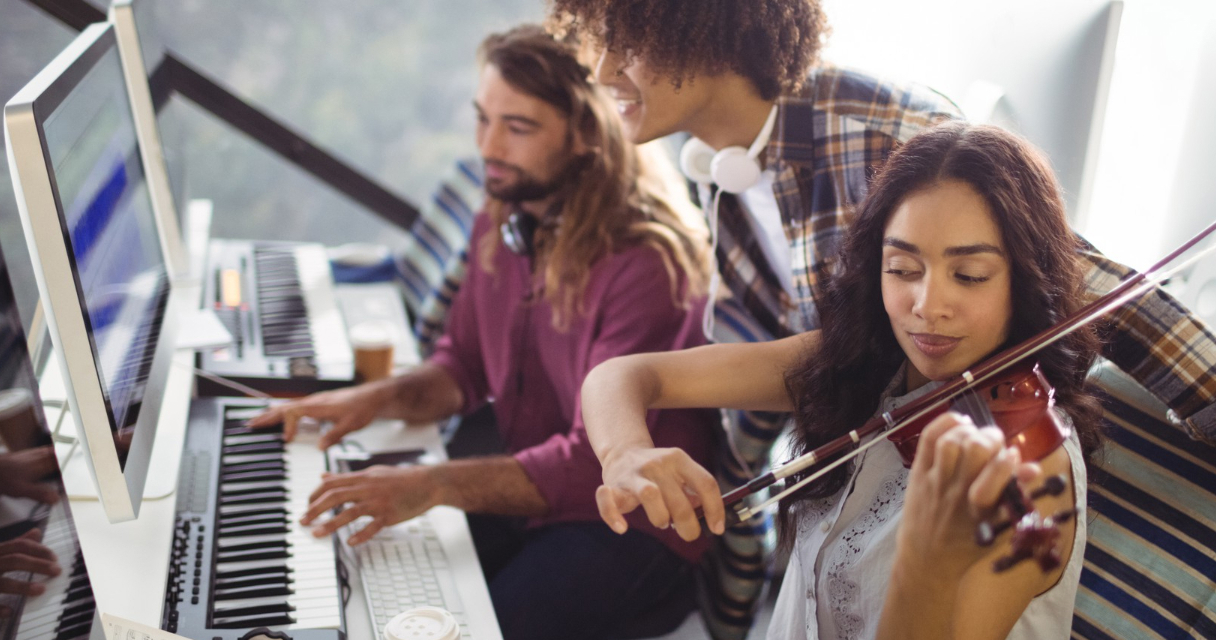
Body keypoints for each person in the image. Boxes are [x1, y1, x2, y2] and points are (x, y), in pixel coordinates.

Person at [248, 25, 716, 640]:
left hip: (634, 524)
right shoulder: (502, 218)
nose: (488, 147)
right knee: (361, 568)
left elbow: (592, 459)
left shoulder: (646, 262)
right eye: (482, 119)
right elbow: (461, 367)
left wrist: (434, 483)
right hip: (538, 489)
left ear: (586, 134)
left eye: (518, 128)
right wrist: (370, 399)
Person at [581, 122, 1101, 639]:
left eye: (969, 276)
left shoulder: (1031, 467)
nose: (927, 307)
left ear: (1027, 279)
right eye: (901, 268)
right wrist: (625, 452)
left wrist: (928, 563)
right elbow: (625, 375)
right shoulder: (860, 366)